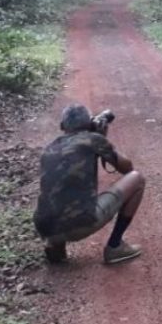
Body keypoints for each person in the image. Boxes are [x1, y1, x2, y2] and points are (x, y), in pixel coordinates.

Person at [33, 104, 146, 264]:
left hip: (45, 227)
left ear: (62, 126)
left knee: (58, 194)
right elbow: (127, 168)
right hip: (80, 225)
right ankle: (115, 246)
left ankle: (54, 244)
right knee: (137, 179)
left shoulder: (49, 148)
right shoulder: (93, 140)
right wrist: (103, 139)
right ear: (90, 124)